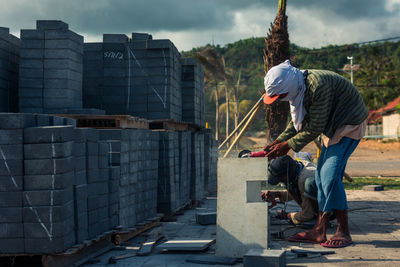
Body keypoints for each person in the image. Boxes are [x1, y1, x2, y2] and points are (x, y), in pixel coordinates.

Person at [263, 60, 368, 248]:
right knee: (320, 178)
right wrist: (278, 142)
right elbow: (295, 124)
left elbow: (315, 127)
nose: (279, 100)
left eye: (280, 95)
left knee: (329, 177)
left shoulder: (318, 85)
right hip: (333, 128)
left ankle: (341, 231)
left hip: (349, 125)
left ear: (288, 86)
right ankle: (320, 230)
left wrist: (287, 146)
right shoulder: (298, 88)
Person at [262, 155, 319, 225]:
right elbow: (298, 191)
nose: (280, 181)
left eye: (280, 179)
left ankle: (321, 216)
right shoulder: (297, 167)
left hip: (331, 210)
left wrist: (288, 216)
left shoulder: (304, 179)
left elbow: (307, 214)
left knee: (307, 184)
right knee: (290, 185)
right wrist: (277, 194)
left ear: (286, 174)